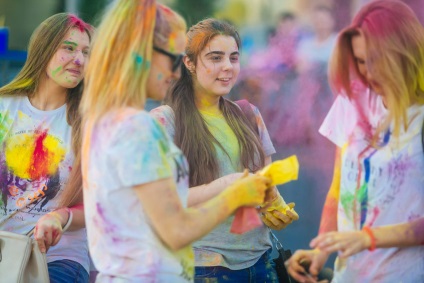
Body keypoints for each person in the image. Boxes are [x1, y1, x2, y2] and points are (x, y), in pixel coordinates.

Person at [80, 1, 272, 282]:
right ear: (141, 53)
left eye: (234, 57)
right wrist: (233, 193)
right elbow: (176, 230)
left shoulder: (108, 121)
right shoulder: (139, 127)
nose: (175, 70)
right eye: (172, 58)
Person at [151, 18, 299, 282]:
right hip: (201, 265)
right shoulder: (165, 121)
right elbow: (161, 202)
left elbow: (266, 181)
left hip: (261, 261)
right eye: (215, 58)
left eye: (233, 58)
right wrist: (226, 185)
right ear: (190, 63)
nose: (227, 68)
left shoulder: (249, 114)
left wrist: (274, 204)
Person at [286, 1, 424, 282]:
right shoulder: (353, 100)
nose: (369, 73)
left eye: (377, 60)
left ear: (404, 53)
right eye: (361, 62)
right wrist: (322, 250)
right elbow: (340, 187)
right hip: (348, 275)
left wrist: (368, 238)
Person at [0, 13, 93, 282]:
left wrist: (60, 218)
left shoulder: (89, 122)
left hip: (58, 258)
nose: (79, 60)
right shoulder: (5, 107)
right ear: (44, 49)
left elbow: (96, 206)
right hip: (5, 250)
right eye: (69, 48)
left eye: (85, 52)